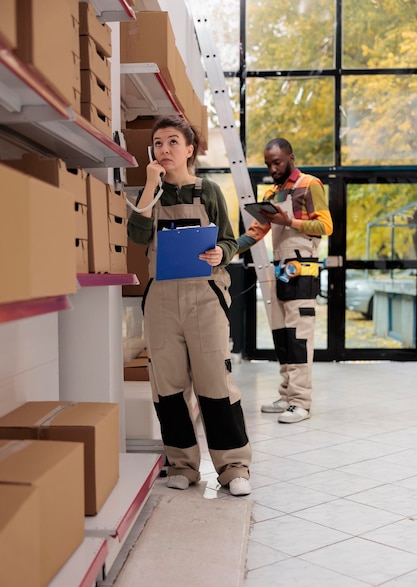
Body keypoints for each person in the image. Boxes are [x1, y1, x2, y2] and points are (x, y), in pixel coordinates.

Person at [127, 115, 252, 496]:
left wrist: (221, 252)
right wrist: (150, 185)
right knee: (168, 386)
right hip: (162, 300)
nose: (165, 150)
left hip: (204, 297)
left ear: (189, 150)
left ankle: (233, 468)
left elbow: (230, 240)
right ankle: (182, 464)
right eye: (158, 143)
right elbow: (136, 236)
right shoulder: (150, 193)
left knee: (215, 382)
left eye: (172, 143)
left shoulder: (208, 190)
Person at [237, 138, 333, 423]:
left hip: (302, 272)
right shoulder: (273, 193)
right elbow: (256, 232)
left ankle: (301, 402)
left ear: (291, 157)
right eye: (268, 164)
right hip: (280, 271)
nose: (273, 168)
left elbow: (326, 225)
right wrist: (226, 248)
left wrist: (288, 222)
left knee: (299, 338)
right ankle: (288, 395)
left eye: (277, 162)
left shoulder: (310, 184)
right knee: (283, 336)